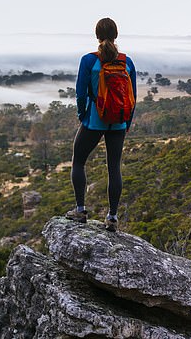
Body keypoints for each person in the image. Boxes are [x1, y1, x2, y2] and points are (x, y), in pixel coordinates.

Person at [65, 17, 136, 232]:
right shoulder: (127, 62)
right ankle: (112, 218)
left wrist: (82, 115)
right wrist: (127, 123)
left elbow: (80, 93)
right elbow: (133, 97)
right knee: (114, 167)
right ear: (116, 35)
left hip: (94, 120)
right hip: (118, 123)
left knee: (78, 161)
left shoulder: (88, 61)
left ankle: (80, 210)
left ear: (97, 35)